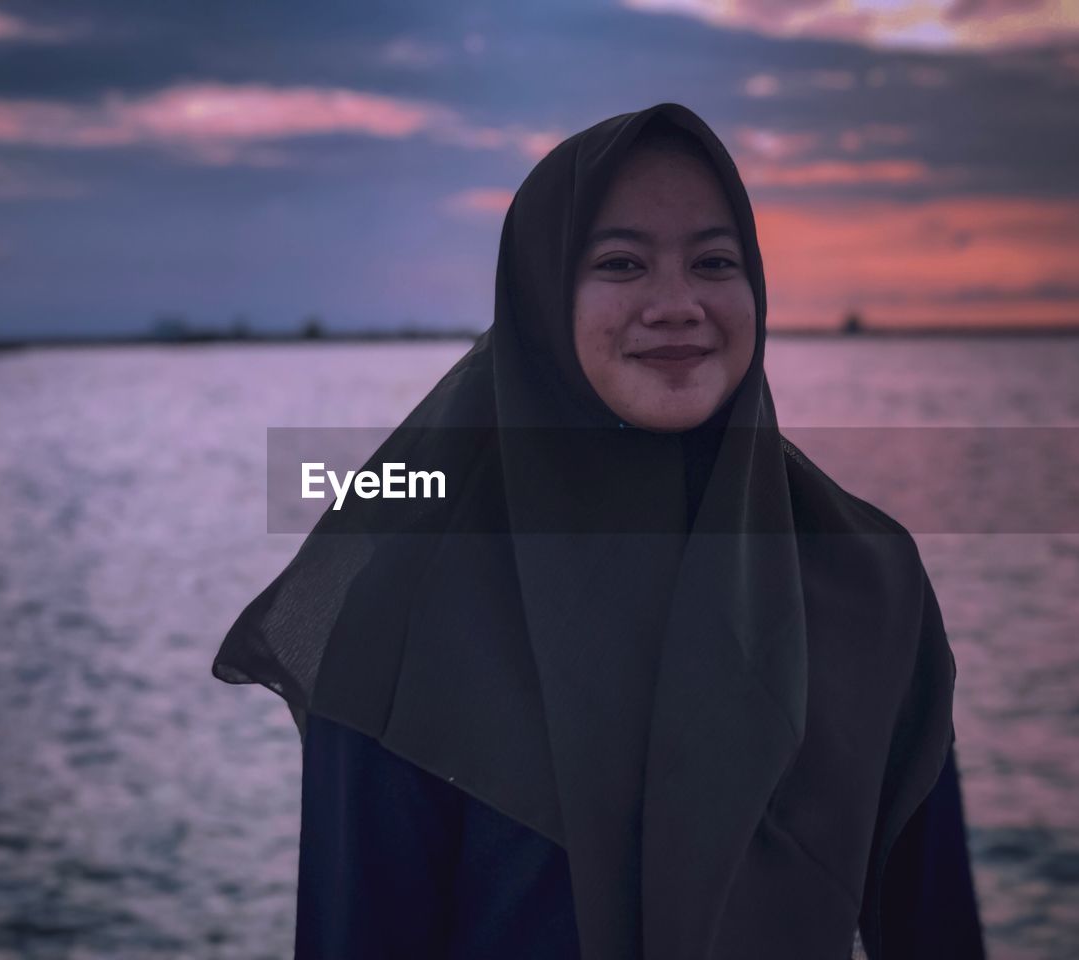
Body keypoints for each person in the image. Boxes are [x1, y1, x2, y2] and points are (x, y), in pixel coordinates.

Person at [212, 103, 986, 959]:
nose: (677, 304)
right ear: (542, 300)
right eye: (621, 263)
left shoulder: (866, 582)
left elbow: (935, 925)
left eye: (714, 262)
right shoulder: (412, 607)